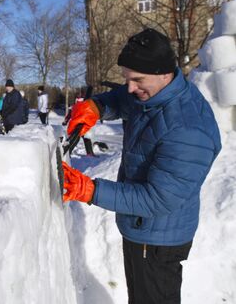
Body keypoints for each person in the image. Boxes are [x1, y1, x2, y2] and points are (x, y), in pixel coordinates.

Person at [62, 28, 221, 304]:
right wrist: (96, 108)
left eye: (137, 80)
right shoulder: (154, 93)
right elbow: (123, 98)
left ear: (164, 73)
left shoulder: (188, 128)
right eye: (127, 79)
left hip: (159, 238)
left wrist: (89, 190)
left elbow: (157, 198)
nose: (131, 87)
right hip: (142, 228)